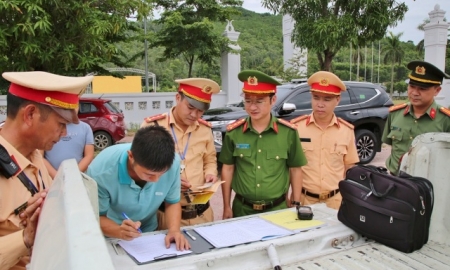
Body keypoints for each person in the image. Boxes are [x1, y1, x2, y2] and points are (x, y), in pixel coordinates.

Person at [0, 71, 93, 270]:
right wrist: (25, 238)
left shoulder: (36, 156)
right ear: (30, 114)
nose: (64, 134)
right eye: (61, 124)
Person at [219, 70, 307, 218]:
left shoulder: (288, 133)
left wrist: (296, 201)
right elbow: (227, 169)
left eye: (259, 101)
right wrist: (226, 206)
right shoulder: (234, 133)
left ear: (273, 100)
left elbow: (295, 169)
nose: (252, 107)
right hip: (242, 209)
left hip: (277, 209)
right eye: (248, 101)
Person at [86, 126, 190, 250]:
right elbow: (97, 216)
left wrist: (174, 230)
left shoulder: (173, 164)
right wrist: (119, 231)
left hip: (149, 230)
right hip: (112, 233)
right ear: (131, 156)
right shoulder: (101, 171)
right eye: (149, 174)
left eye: (161, 174)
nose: (156, 180)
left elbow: (172, 202)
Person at [141, 78, 220, 229]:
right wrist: (169, 181)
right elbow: (141, 168)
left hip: (202, 214)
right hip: (166, 216)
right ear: (178, 98)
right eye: (190, 107)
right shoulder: (153, 127)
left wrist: (210, 173)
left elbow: (210, 159)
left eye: (200, 111)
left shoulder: (205, 129)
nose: (194, 115)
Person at [290, 71, 359, 209]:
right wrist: (293, 199)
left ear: (337, 100)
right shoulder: (296, 128)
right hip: (304, 201)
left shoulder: (346, 131)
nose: (320, 104)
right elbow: (290, 168)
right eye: (316, 98)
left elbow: (349, 168)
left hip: (335, 202)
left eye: (327, 99)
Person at [382, 60, 450, 175]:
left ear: (437, 91)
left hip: (428, 184)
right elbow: (391, 146)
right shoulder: (395, 114)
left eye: (423, 89)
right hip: (395, 180)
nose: (415, 93)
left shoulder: (446, 120)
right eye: (412, 86)